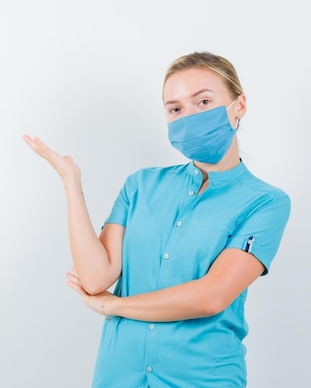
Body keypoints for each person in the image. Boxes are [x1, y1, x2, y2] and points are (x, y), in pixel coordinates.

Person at [22, 51, 291, 388]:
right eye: (175, 108)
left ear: (239, 105)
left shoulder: (265, 203)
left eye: (203, 101)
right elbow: (95, 278)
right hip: (119, 377)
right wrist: (70, 182)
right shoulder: (141, 185)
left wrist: (114, 306)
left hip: (202, 379)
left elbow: (211, 297)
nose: (188, 116)